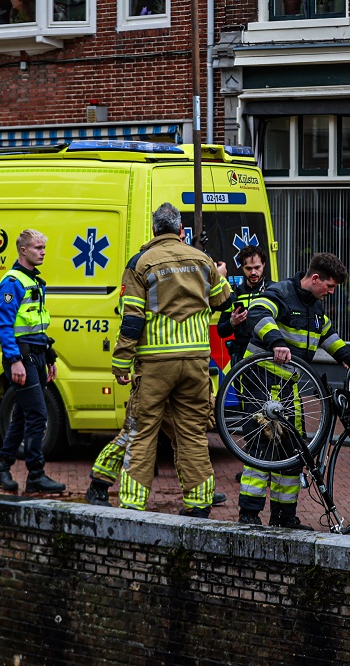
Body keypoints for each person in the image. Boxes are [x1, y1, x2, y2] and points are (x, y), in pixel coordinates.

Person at [111, 202, 233, 518]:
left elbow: (133, 319)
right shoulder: (202, 260)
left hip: (156, 363)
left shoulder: (141, 263)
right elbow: (223, 301)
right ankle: (198, 504)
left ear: (154, 230)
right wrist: (219, 275)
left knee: (143, 431)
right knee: (192, 432)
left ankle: (133, 505)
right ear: (181, 231)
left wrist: (122, 361)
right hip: (195, 361)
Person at [236, 253, 350, 528]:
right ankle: (249, 514)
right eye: (329, 286)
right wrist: (276, 341)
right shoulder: (280, 292)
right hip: (262, 378)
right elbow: (258, 313)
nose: (330, 292)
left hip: (289, 384)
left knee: (294, 449)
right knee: (263, 446)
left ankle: (284, 517)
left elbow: (326, 333)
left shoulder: (314, 305)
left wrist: (347, 357)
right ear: (315, 278)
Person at [0, 229, 66, 494]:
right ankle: (35, 474)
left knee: (22, 417)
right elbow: (3, 325)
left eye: (44, 247)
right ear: (23, 251)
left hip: (35, 355)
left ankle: (2, 469)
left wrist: (50, 355)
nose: (43, 251)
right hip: (22, 358)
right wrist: (14, 361)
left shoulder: (32, 280)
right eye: (37, 248)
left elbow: (36, 326)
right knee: (38, 415)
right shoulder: (13, 282)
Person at [83, 384, 227, 507]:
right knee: (131, 437)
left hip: (174, 382)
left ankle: (199, 493)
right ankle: (98, 485)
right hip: (152, 380)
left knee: (185, 440)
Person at [217, 244, 271, 368]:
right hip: (241, 357)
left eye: (257, 267)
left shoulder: (273, 290)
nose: (253, 272)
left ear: (264, 265)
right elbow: (221, 330)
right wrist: (233, 322)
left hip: (266, 354)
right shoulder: (234, 294)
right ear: (242, 267)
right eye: (248, 268)